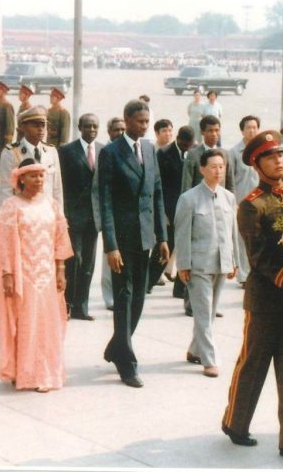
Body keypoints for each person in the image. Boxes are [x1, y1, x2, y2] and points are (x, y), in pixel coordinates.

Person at [221, 130, 283, 465]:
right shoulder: (251, 205)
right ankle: (235, 422)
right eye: (271, 157)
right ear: (257, 164)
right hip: (264, 301)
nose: (279, 161)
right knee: (253, 364)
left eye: (280, 155)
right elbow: (257, 257)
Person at [0, 159, 73, 392]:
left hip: (47, 275)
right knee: (24, 325)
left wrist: (61, 270)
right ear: (21, 178)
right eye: (33, 176)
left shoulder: (52, 205)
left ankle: (45, 374)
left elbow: (60, 239)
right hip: (23, 275)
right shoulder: (12, 206)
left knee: (46, 325)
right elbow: (2, 243)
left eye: (41, 175)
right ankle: (22, 372)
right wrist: (7, 275)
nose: (39, 180)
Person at [98, 99, 169, 388]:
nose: (145, 126)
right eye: (140, 121)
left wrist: (163, 237)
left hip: (146, 238)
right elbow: (104, 202)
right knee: (124, 298)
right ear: (126, 120)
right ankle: (127, 363)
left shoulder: (150, 149)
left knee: (139, 296)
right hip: (122, 240)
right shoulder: (111, 153)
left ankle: (117, 346)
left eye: (147, 121)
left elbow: (157, 193)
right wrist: (110, 246)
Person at [175, 149, 239, 378]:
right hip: (199, 265)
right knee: (202, 313)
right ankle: (209, 359)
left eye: (221, 166)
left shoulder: (228, 198)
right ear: (202, 169)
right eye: (213, 166)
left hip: (222, 263)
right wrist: (183, 265)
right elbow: (182, 235)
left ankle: (195, 349)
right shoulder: (189, 198)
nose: (218, 170)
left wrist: (235, 262)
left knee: (210, 313)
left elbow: (233, 233)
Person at [60, 113, 103, 321]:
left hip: (94, 217)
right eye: (88, 127)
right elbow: (63, 185)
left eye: (95, 127)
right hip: (74, 216)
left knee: (88, 263)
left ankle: (81, 308)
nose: (92, 130)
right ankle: (67, 304)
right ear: (79, 127)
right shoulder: (67, 151)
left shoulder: (104, 151)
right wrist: (64, 213)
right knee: (74, 260)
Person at [147, 126, 195, 299]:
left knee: (187, 250)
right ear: (179, 139)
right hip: (169, 211)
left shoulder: (194, 153)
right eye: (184, 144)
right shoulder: (164, 154)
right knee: (165, 248)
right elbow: (157, 186)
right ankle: (147, 283)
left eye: (190, 145)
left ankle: (179, 289)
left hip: (188, 210)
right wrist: (162, 214)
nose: (187, 147)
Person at [0, 105, 63, 207]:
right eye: (36, 125)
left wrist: (59, 218)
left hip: (47, 214)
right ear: (23, 127)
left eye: (43, 125)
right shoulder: (11, 153)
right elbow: (6, 191)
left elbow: (57, 190)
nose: (41, 129)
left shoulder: (51, 152)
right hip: (23, 214)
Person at [228, 115, 260, 286]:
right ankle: (244, 276)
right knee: (242, 240)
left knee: (258, 239)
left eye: (255, 127)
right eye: (248, 127)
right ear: (242, 130)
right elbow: (230, 179)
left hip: (260, 204)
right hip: (241, 203)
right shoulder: (233, 153)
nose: (252, 130)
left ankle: (256, 274)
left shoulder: (262, 151)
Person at [100, 118, 126, 311]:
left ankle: (121, 294)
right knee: (108, 256)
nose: (120, 133)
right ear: (109, 132)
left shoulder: (128, 150)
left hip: (126, 214)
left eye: (123, 129)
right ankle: (108, 296)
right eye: (116, 130)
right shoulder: (105, 152)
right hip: (110, 213)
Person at [182, 116, 234, 193]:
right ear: (202, 132)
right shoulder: (193, 155)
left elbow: (230, 185)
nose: (214, 134)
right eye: (210, 130)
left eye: (217, 130)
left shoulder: (226, 154)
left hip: (221, 201)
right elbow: (186, 186)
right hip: (199, 201)